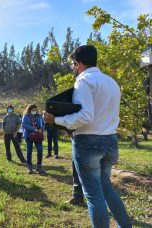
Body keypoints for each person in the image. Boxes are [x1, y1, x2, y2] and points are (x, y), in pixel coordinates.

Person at [44, 45, 132, 227]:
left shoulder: (83, 81)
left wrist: (56, 119)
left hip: (88, 143)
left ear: (78, 64)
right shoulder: (111, 82)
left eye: (73, 65)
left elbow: (85, 116)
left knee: (93, 195)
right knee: (106, 188)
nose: (73, 69)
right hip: (111, 141)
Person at [22, 104, 45, 174]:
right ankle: (29, 167)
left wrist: (42, 129)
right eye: (33, 110)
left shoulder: (39, 116)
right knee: (29, 151)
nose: (34, 111)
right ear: (29, 110)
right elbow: (24, 125)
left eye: (35, 110)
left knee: (40, 149)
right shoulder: (26, 116)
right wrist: (33, 129)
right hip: (29, 136)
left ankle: (39, 166)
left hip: (38, 135)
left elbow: (44, 124)